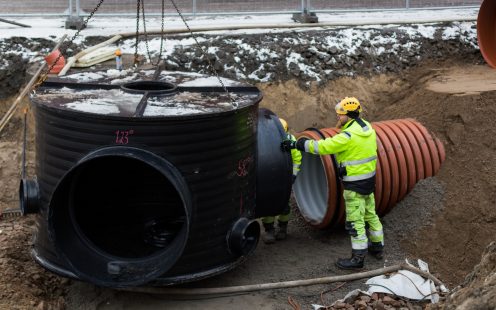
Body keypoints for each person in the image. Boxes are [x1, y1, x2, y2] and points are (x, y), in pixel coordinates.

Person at [282, 97, 384, 269]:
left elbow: (322, 147)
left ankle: (358, 259)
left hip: (354, 185)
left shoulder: (348, 136)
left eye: (340, 115)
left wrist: (298, 143)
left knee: (355, 221)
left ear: (348, 115)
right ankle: (377, 247)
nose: (338, 118)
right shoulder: (367, 127)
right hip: (368, 182)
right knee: (370, 214)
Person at [261, 118, 302, 244]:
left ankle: (283, 228)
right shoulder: (265, 141)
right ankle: (269, 230)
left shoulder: (290, 140)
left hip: (284, 177)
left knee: (284, 204)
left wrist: (293, 177)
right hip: (269, 176)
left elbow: (297, 160)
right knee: (268, 204)